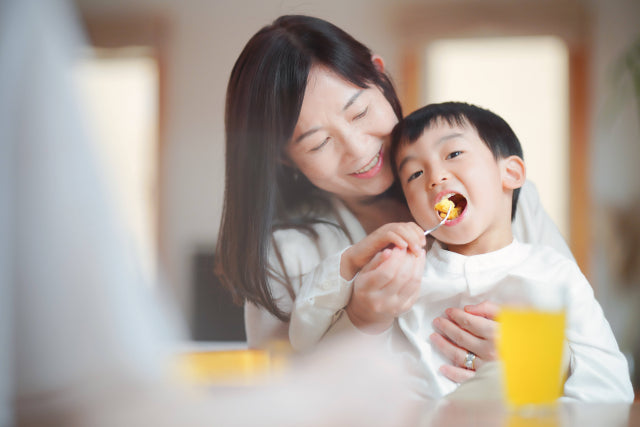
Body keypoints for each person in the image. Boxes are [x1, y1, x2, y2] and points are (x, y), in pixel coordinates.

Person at [215, 15, 574, 384]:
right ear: (283, 158)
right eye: (319, 143)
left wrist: (542, 360)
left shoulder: (504, 197)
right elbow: (277, 400)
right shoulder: (286, 255)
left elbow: (586, 344)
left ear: (381, 77)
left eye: (360, 112)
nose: (358, 150)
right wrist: (361, 321)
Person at [373, 101, 634, 400]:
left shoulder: (554, 273)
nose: (435, 177)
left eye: (454, 154)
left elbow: (612, 389)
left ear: (510, 173)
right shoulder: (406, 278)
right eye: (415, 174)